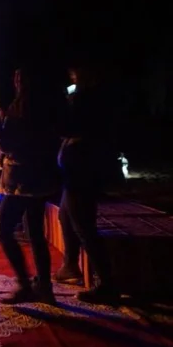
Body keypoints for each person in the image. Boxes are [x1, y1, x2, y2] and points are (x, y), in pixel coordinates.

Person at [0, 67, 62, 304]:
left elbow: (7, 144)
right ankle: (44, 287)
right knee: (35, 233)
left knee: (3, 229)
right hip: (40, 178)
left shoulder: (23, 108)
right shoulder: (44, 107)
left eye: (18, 78)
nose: (15, 82)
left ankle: (26, 285)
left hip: (22, 180)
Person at [55, 67, 121, 304]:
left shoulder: (88, 99)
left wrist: (64, 107)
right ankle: (70, 265)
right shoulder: (86, 98)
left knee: (84, 226)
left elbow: (69, 126)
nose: (72, 78)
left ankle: (106, 284)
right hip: (75, 171)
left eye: (75, 75)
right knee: (65, 216)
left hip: (82, 172)